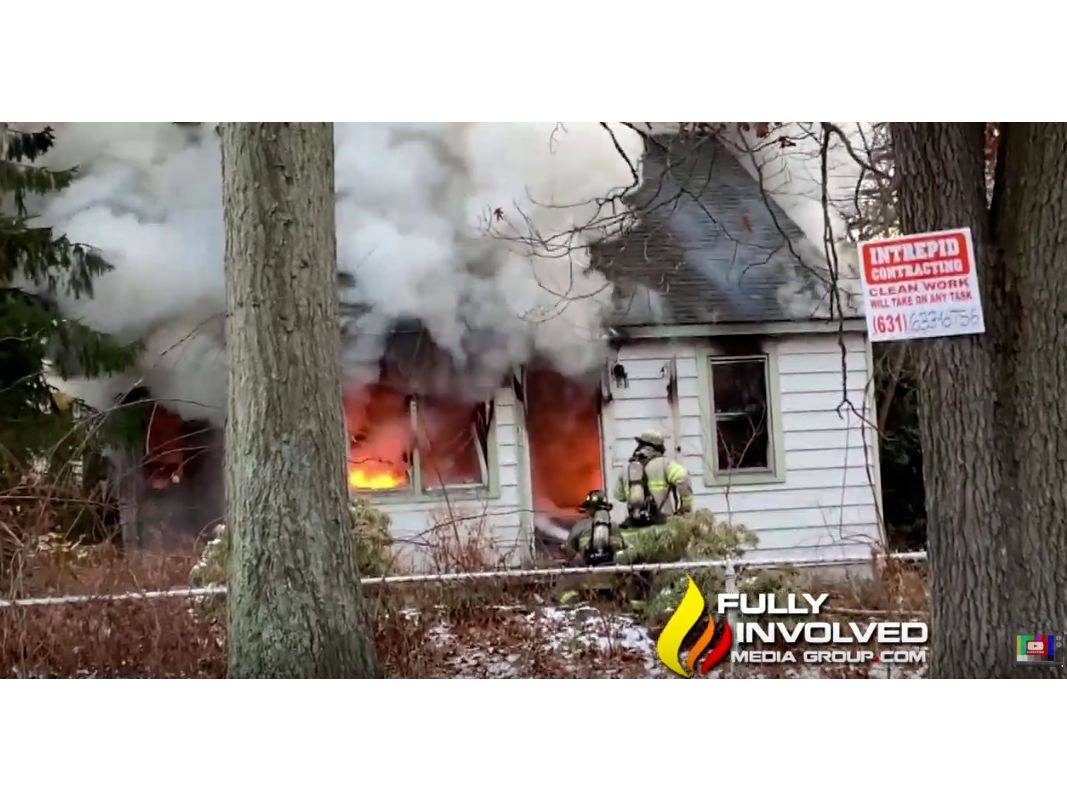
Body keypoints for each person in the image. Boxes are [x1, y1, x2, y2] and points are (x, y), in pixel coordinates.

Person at [613, 429, 693, 529]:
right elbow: (683, 477)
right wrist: (686, 506)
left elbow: (619, 496)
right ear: (658, 448)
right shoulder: (665, 464)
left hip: (635, 525)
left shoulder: (627, 468)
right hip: (662, 525)